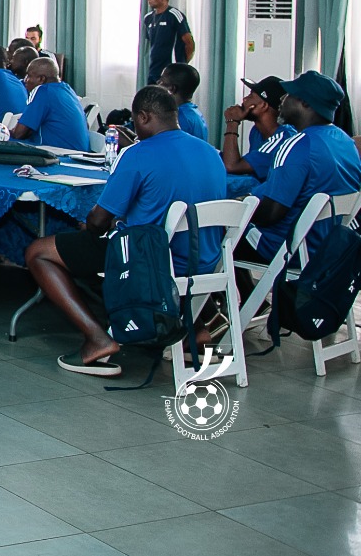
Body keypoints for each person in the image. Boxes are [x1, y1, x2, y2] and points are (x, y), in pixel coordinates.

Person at [24, 85, 226, 377]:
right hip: (203, 260)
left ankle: (97, 338)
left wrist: (98, 223)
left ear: (143, 117)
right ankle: (196, 330)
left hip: (150, 262)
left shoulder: (138, 155)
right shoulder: (211, 153)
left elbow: (97, 222)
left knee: (38, 252)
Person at [243, 71, 361, 266]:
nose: (282, 99)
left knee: (215, 233)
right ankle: (259, 298)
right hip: (329, 248)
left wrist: (239, 208)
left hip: (288, 247)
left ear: (305, 103)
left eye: (288, 95)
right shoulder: (344, 141)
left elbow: (272, 214)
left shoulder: (297, 145)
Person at [221, 77, 293, 180]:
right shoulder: (257, 131)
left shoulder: (282, 138)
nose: (245, 99)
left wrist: (232, 122)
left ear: (263, 106)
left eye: (251, 96)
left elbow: (231, 166)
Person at [11, 57, 90, 150]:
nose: (25, 80)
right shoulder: (67, 89)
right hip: (81, 153)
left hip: (62, 155)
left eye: (28, 76)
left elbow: (18, 134)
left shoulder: (43, 91)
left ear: (41, 79)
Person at [143, 0, 195, 85]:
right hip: (154, 71)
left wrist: (181, 64)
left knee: (171, 100)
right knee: (152, 99)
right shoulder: (148, 18)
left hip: (172, 73)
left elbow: (189, 44)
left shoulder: (174, 15)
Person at [158, 63, 209, 141]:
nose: (157, 83)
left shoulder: (178, 117)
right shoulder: (194, 113)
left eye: (161, 81)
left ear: (172, 89)